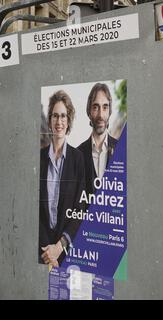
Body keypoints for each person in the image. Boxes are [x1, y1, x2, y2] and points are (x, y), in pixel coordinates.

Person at [39, 90, 85, 267]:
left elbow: (80, 208)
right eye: (55, 116)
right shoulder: (39, 158)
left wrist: (59, 247)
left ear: (69, 120)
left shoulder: (78, 159)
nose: (59, 122)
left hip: (66, 252)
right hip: (42, 253)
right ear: (50, 120)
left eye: (63, 116)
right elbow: (35, 209)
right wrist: (48, 253)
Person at [78, 83, 118, 196]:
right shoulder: (77, 155)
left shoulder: (122, 149)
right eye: (95, 107)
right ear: (89, 111)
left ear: (109, 112)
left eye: (105, 107)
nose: (101, 114)